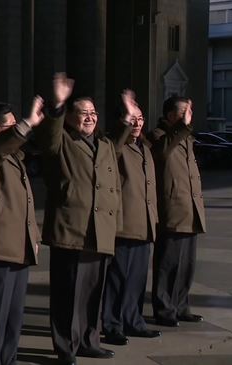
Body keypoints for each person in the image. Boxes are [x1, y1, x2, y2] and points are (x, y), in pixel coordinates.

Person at [34, 73, 122, 365]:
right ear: (70, 117)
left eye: (93, 113)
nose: (89, 118)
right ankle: (66, 347)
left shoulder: (104, 145)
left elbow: (117, 144)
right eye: (82, 113)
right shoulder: (61, 143)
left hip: (100, 230)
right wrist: (58, 105)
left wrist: (129, 118)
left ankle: (89, 340)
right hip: (72, 230)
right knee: (68, 293)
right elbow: (49, 135)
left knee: (93, 293)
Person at [0, 97, 44, 365]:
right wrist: (27, 123)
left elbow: (25, 203)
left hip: (20, 247)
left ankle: (8, 359)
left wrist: (34, 237)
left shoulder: (16, 158)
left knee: (13, 316)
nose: (19, 131)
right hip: (0, 248)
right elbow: (0, 149)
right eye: (12, 126)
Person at [102, 90, 162, 346]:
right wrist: (126, 120)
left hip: (144, 223)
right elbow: (113, 149)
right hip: (124, 225)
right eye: (132, 119)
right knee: (118, 280)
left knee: (137, 279)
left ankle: (134, 320)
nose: (138, 123)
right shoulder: (113, 146)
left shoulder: (143, 149)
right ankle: (112, 324)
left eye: (140, 118)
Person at [148, 96, 206, 328]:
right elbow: (162, 153)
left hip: (189, 210)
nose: (188, 116)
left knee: (186, 265)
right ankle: (164, 309)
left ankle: (181, 305)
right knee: (168, 264)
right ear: (170, 115)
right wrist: (182, 128)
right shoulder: (158, 136)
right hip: (172, 210)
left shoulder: (186, 138)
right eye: (183, 112)